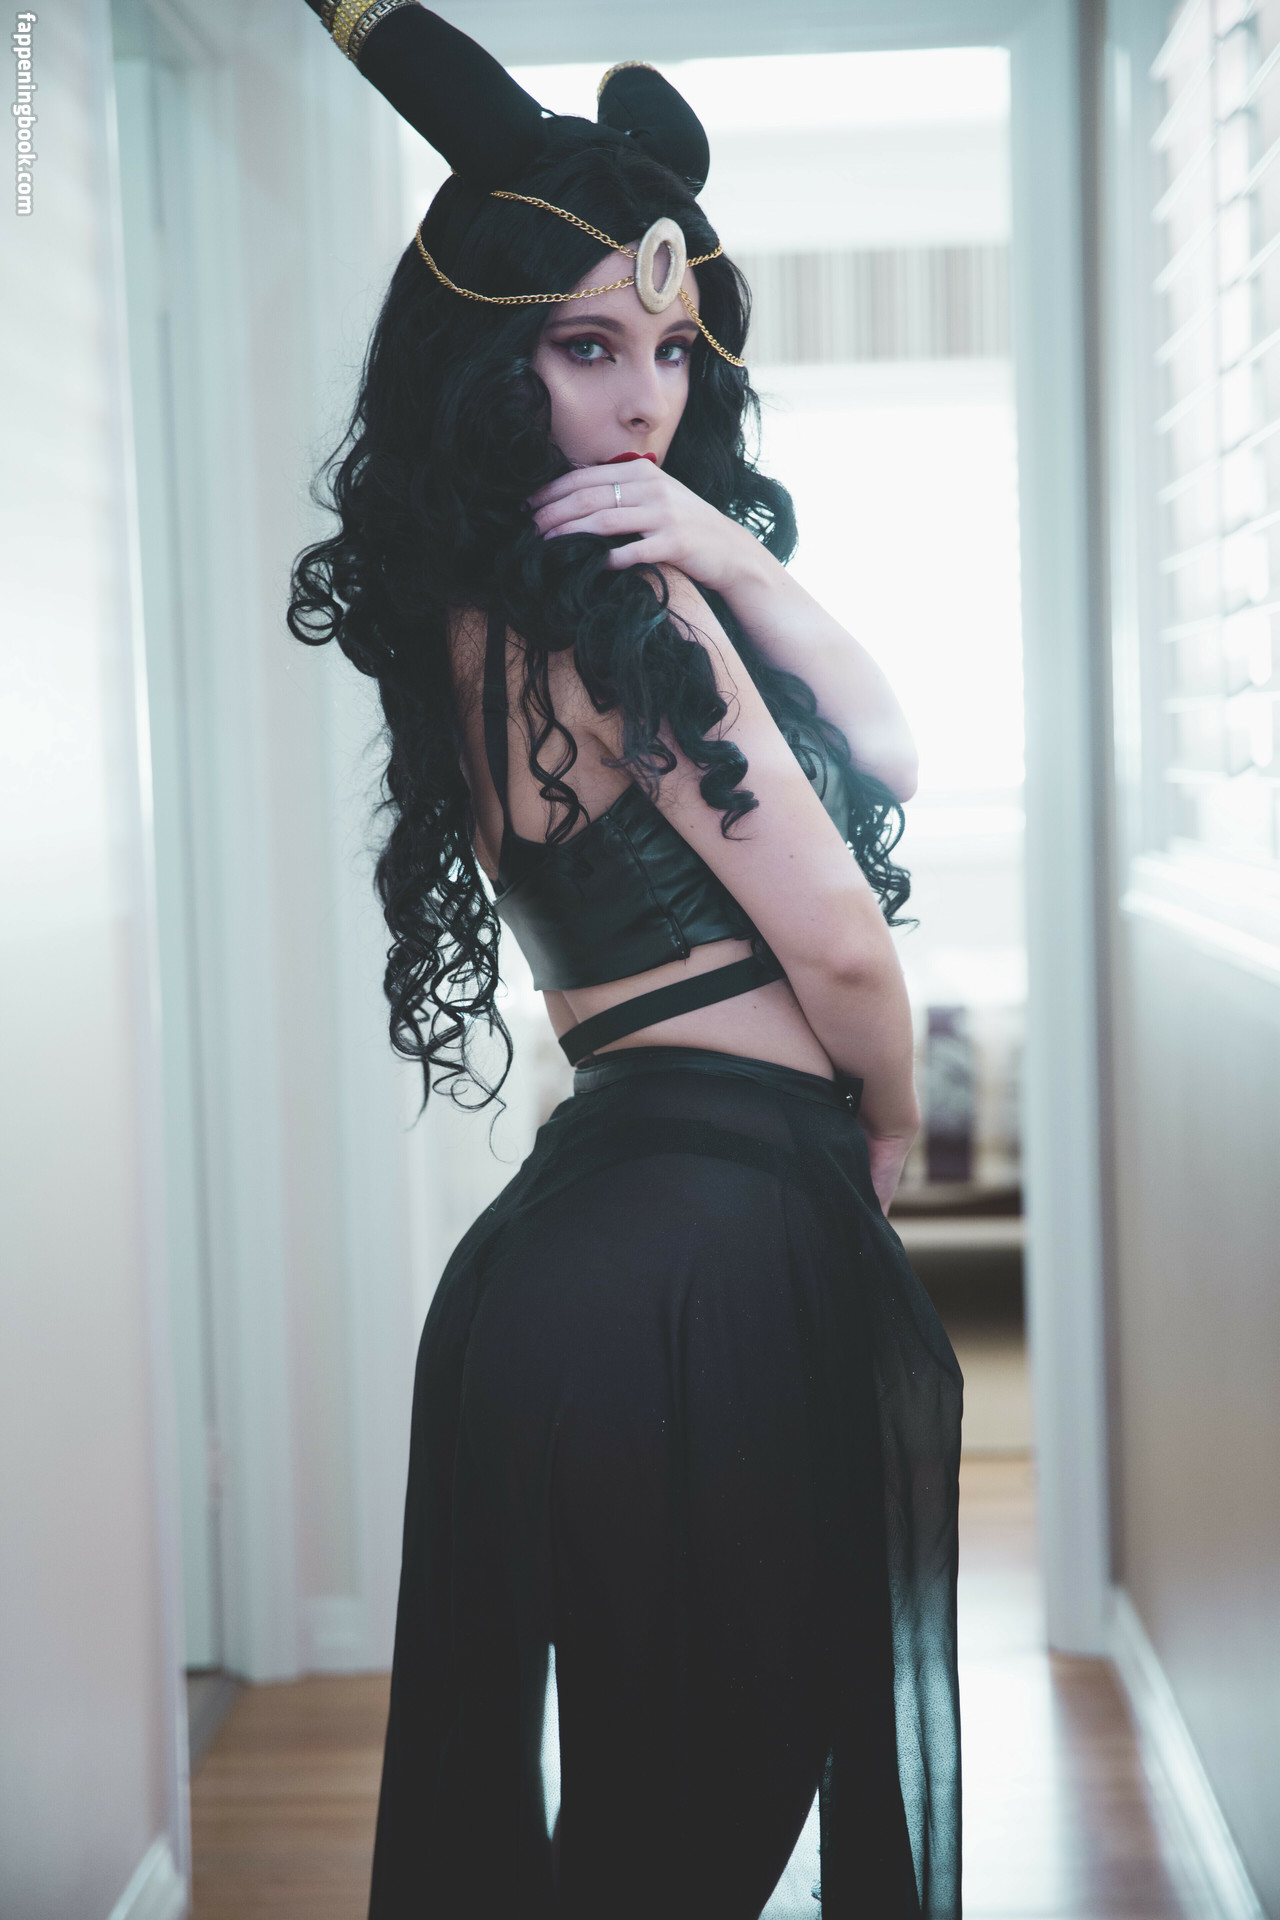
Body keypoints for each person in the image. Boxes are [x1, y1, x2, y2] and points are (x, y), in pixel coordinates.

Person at [290, 7, 963, 1915]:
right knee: (701, 1825)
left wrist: (733, 558)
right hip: (704, 1259)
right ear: (491, 359)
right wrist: (894, 1121)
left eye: (671, 351)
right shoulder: (628, 601)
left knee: (614, 1830)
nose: (645, 399)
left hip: (558, 1258)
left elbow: (891, 754)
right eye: (587, 348)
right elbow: (842, 947)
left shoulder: (473, 599)